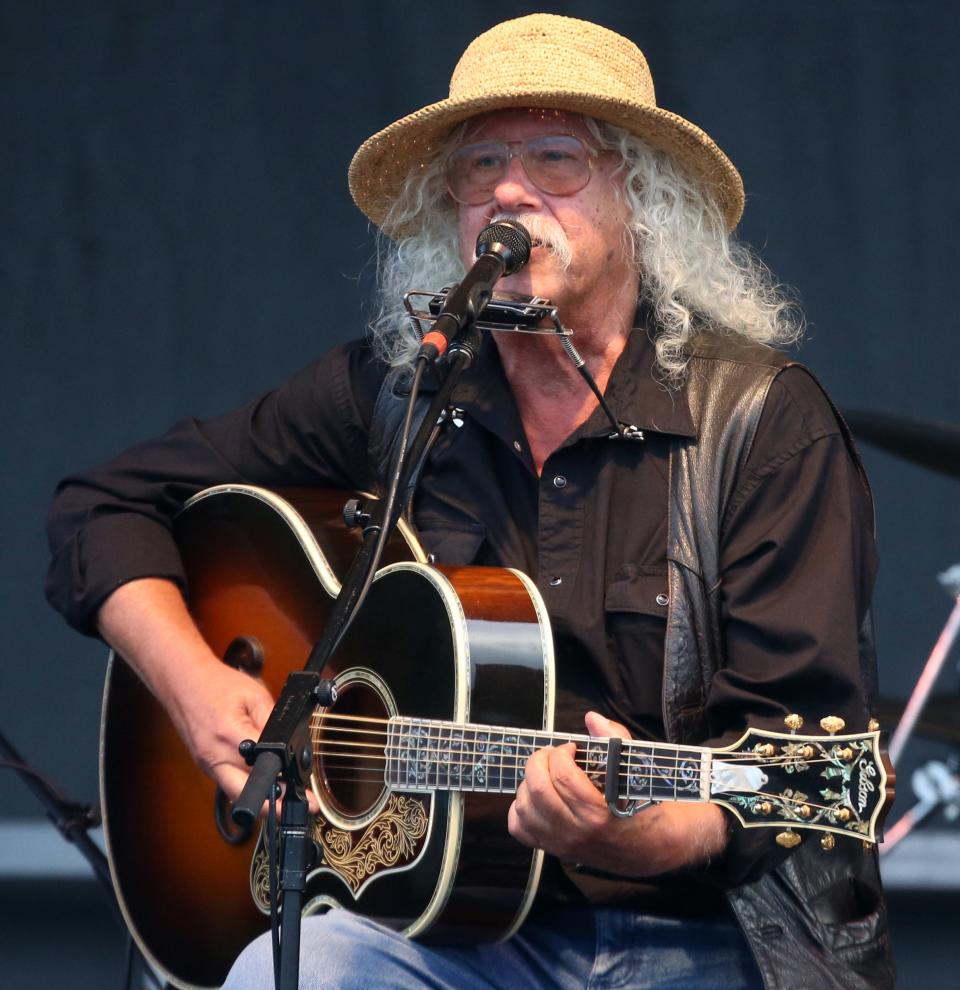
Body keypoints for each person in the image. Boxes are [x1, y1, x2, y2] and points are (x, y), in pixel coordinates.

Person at [46, 13, 894, 990]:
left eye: (554, 159)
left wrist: (645, 833)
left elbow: (798, 771)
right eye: (479, 164)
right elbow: (101, 505)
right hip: (450, 936)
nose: (507, 191)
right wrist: (197, 691)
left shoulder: (762, 424)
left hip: (710, 941)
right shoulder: (403, 394)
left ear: (641, 199)